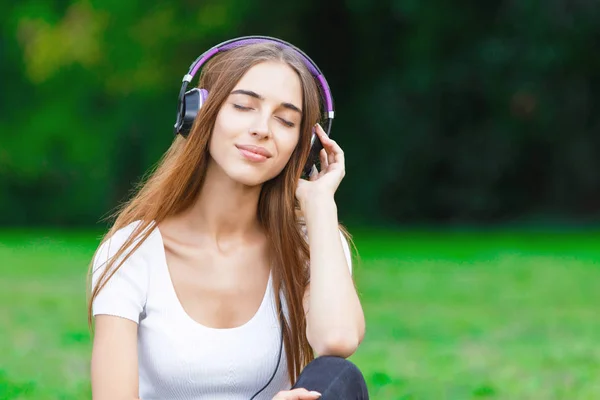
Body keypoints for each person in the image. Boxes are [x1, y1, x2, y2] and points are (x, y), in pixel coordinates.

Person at [87, 36, 368, 400]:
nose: (263, 128)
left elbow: (338, 340)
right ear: (198, 113)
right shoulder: (131, 251)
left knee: (337, 375)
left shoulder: (314, 242)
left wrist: (320, 206)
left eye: (285, 120)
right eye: (243, 106)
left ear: (306, 145)